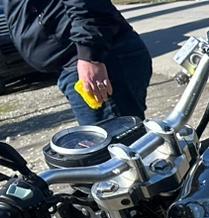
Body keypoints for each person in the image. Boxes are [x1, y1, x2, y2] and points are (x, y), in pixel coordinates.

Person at [4, 0, 152, 125]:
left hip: (95, 60)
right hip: (77, 61)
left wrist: (90, 55)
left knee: (114, 144)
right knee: (116, 142)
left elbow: (87, 4)